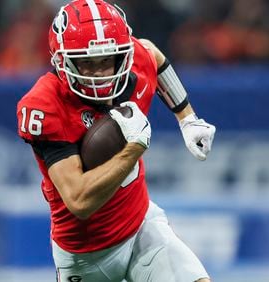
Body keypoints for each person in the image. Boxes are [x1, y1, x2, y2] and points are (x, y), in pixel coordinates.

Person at [16, 1, 215, 281]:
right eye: (86, 62)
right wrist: (132, 149)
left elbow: (152, 54)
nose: (99, 72)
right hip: (86, 257)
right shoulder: (45, 104)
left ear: (121, 56)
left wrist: (187, 118)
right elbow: (79, 200)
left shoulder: (134, 64)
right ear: (63, 61)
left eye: (106, 60)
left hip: (141, 228)